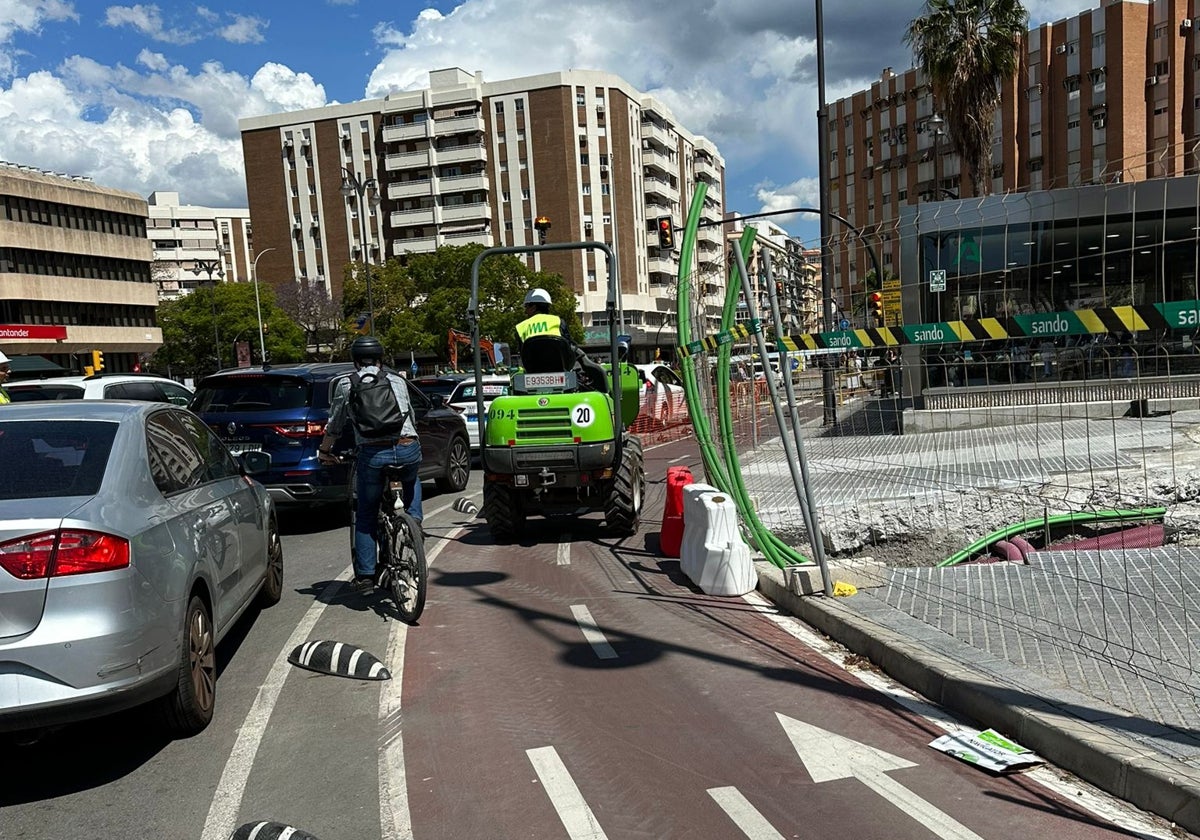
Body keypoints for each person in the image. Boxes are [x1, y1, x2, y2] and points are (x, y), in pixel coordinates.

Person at [318, 336, 422, 593]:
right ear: (380, 358)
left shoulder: (346, 383)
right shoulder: (397, 380)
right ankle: (415, 521)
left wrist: (325, 450)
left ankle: (365, 576)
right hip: (408, 446)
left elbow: (336, 424)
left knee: (365, 512)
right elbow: (411, 414)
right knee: (412, 477)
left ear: (355, 360)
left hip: (374, 455)